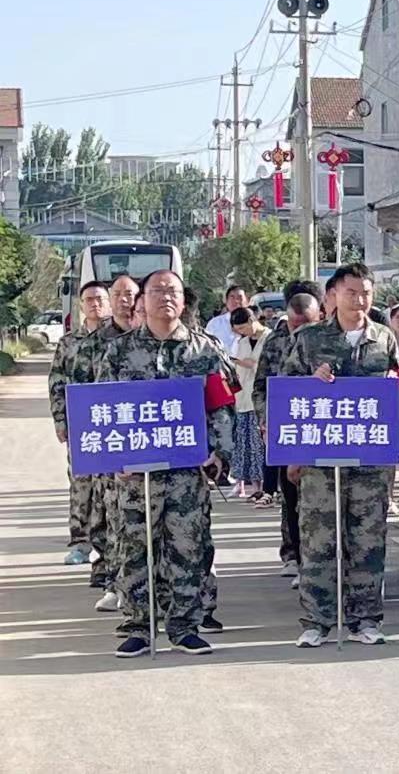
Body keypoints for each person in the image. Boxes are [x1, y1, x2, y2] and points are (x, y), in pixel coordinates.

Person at [99, 269, 236, 657]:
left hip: (186, 473)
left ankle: (184, 625)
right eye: (157, 291)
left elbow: (221, 409)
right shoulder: (119, 352)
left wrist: (218, 454)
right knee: (135, 547)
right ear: (141, 300)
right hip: (135, 474)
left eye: (172, 290)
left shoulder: (205, 350)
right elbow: (101, 410)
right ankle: (139, 625)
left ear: (183, 299)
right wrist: (113, 458)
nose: (165, 298)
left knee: (188, 547)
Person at [282, 263, 399, 647]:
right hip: (321, 459)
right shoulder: (310, 339)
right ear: (334, 295)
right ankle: (316, 620)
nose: (361, 300)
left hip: (369, 461)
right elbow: (283, 393)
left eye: (367, 292)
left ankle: (365, 618)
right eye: (352, 292)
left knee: (367, 540)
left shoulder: (383, 339)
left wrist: (393, 385)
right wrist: (309, 383)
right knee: (319, 540)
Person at [70, 274, 141, 614]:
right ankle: (115, 583)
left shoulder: (156, 339)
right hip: (111, 447)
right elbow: (79, 391)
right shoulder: (96, 343)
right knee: (111, 518)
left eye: (131, 294)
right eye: (120, 295)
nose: (126, 301)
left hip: (151, 447)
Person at [253, 283, 322, 585]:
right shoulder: (275, 342)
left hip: (323, 428)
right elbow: (261, 387)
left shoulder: (327, 340)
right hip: (288, 429)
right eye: (296, 324)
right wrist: (266, 422)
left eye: (307, 324)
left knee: (318, 498)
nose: (300, 330)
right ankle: (294, 554)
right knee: (291, 495)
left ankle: (317, 560)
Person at [49, 281, 109, 568]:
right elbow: (57, 382)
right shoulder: (69, 342)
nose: (95, 304)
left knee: (110, 486)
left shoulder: (120, 339)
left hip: (113, 425)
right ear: (81, 305)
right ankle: (80, 543)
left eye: (100, 299)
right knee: (81, 485)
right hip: (81, 424)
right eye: (89, 299)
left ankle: (109, 545)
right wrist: (61, 419)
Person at [228, 308, 269, 502]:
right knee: (244, 443)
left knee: (259, 443)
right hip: (242, 396)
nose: (242, 333)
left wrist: (241, 362)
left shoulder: (269, 338)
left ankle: (263, 486)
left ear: (252, 320)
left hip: (260, 396)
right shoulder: (242, 342)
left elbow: (256, 364)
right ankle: (249, 484)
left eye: (243, 327)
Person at [206, 285, 249, 353]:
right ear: (226, 301)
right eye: (232, 297)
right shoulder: (215, 324)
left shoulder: (254, 323)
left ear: (247, 301)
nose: (236, 301)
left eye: (240, 297)